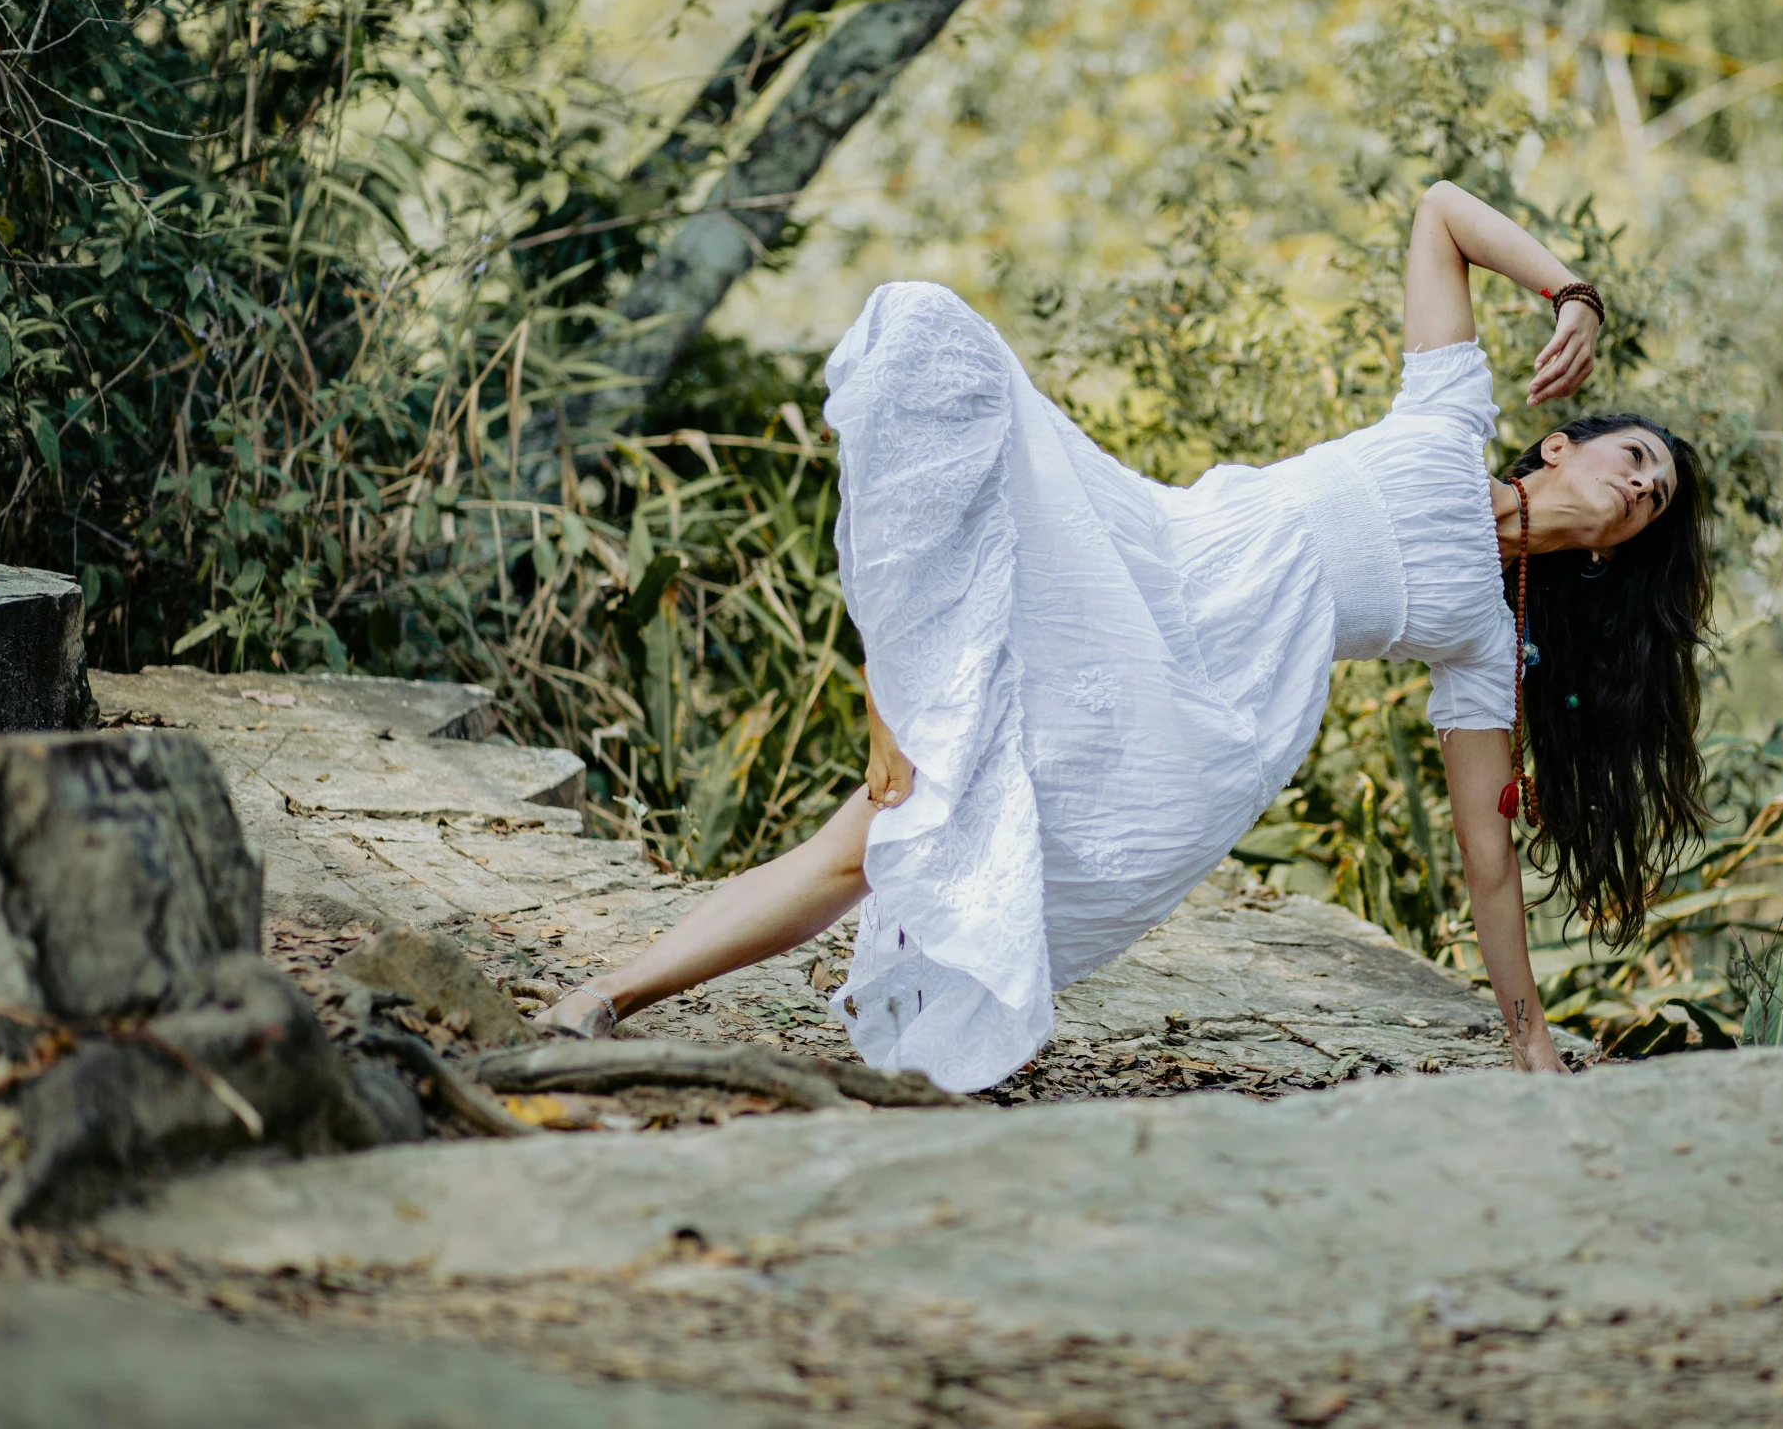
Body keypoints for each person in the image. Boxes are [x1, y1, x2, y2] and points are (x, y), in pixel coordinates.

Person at [535, 180, 1712, 1090]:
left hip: (1184, 707)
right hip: (1132, 560)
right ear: (1562, 444)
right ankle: (618, 986)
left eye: (1650, 501)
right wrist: (1573, 292)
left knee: (873, 850)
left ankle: (606, 1000)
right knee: (949, 362)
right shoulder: (1450, 416)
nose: (1637, 487)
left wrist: (1530, 1047)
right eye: (1635, 459)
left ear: (1614, 551)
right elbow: (1441, 212)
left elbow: (1487, 861)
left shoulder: (1478, 643)